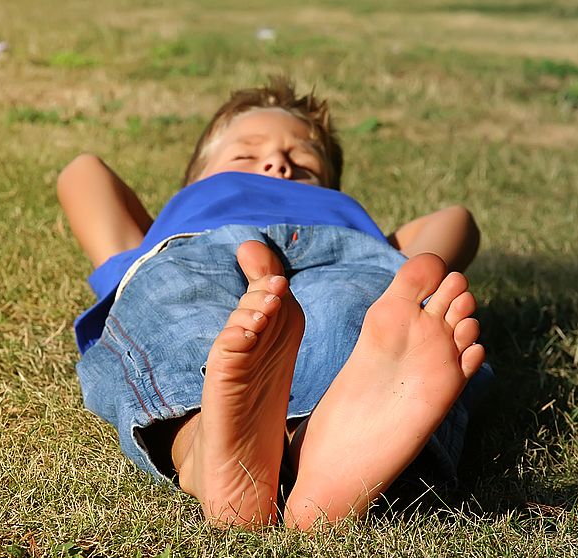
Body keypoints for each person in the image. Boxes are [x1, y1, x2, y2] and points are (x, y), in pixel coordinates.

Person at [57, 77, 492, 531]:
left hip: (344, 252)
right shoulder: (163, 230)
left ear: (329, 183)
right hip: (199, 247)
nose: (277, 162)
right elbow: (82, 172)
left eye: (302, 159)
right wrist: (153, 235)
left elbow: (455, 222)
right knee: (180, 309)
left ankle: (315, 445)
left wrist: (403, 268)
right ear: (194, 179)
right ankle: (209, 447)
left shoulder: (345, 217)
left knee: (352, 310)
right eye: (245, 153)